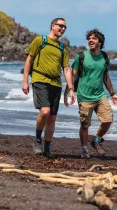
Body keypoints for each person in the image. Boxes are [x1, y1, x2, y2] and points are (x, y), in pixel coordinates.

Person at [22, 17, 76, 158]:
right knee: (44, 112)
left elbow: (66, 69)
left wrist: (71, 88)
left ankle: (47, 146)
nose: (63, 29)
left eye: (65, 27)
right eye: (60, 26)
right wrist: (25, 81)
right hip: (40, 80)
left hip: (56, 84)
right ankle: (38, 139)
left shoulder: (62, 47)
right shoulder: (41, 40)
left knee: (52, 117)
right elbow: (29, 59)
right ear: (53, 26)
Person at [68, 28, 117, 159]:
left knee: (108, 119)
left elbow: (106, 78)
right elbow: (72, 76)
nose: (90, 40)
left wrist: (113, 93)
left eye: (94, 38)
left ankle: (96, 140)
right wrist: (70, 92)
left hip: (100, 95)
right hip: (84, 96)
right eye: (89, 38)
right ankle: (85, 150)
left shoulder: (104, 57)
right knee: (85, 125)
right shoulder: (81, 56)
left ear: (100, 42)